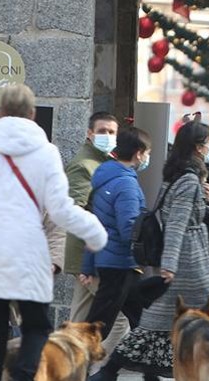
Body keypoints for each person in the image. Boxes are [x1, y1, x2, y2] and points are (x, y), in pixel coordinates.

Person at [0, 84, 108, 381]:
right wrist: (95, 234)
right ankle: (25, 374)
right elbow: (61, 209)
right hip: (26, 255)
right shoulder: (46, 153)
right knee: (36, 327)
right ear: (33, 113)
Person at [92, 121, 209, 381]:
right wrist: (170, 265)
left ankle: (133, 371)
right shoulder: (189, 179)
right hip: (189, 262)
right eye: (208, 142)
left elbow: (177, 215)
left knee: (158, 323)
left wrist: (206, 202)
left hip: (184, 258)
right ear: (199, 148)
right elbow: (176, 224)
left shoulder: (175, 174)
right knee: (205, 319)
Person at [62, 111, 126, 358]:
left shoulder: (103, 162)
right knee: (120, 320)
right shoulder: (84, 165)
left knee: (78, 323)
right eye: (102, 131)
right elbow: (75, 212)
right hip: (90, 257)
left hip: (92, 257)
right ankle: (95, 369)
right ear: (90, 134)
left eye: (112, 132)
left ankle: (67, 368)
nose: (108, 136)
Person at [81, 127, 153, 342]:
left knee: (141, 321)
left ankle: (143, 370)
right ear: (138, 153)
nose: (147, 158)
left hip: (111, 260)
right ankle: (72, 366)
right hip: (120, 263)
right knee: (97, 328)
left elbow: (95, 225)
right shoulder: (126, 184)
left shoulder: (106, 178)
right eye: (147, 153)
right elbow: (129, 228)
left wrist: (88, 264)